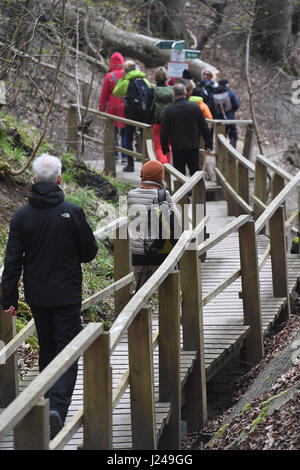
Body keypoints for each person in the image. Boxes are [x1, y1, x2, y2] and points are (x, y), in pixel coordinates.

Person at [0, 153, 98, 439]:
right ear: (59, 179)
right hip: (66, 294)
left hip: (38, 296)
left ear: (32, 180)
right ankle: (57, 407)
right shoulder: (72, 211)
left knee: (47, 348)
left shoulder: (21, 216)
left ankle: (46, 403)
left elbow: (13, 260)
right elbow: (89, 251)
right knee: (67, 350)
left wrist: (7, 300)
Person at [127, 160, 173, 290]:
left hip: (138, 253)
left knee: (141, 293)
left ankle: (143, 309)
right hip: (160, 251)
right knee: (166, 292)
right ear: (160, 177)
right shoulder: (164, 195)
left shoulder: (131, 195)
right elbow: (175, 221)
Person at [160, 83, 213, 176]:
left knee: (179, 174)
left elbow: (164, 131)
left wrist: (165, 148)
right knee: (194, 172)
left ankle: (183, 190)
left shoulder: (169, 109)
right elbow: (204, 126)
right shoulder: (194, 107)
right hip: (193, 146)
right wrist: (208, 144)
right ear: (186, 94)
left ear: (174, 94)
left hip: (177, 147)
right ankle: (194, 190)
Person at [113, 60, 151, 172]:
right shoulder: (144, 80)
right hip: (144, 113)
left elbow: (116, 92)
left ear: (125, 70)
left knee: (129, 138)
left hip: (131, 113)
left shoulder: (126, 82)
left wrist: (122, 78)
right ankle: (147, 165)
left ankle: (130, 165)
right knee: (145, 139)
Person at [98, 52, 127, 164]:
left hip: (112, 108)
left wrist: (101, 109)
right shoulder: (126, 75)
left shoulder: (109, 76)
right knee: (124, 132)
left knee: (113, 131)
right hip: (125, 107)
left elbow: (104, 95)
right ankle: (125, 157)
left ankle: (115, 156)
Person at [145, 66, 173, 164]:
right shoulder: (171, 90)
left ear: (155, 77)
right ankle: (168, 169)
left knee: (159, 147)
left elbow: (148, 109)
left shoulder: (152, 91)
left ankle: (164, 167)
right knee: (168, 146)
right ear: (166, 77)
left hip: (157, 123)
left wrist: (148, 122)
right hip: (170, 123)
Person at [212, 78, 240, 148]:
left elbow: (210, 107)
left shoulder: (213, 94)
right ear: (227, 84)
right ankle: (231, 154)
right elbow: (236, 105)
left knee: (221, 138)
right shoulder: (230, 93)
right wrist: (231, 112)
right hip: (230, 119)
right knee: (234, 136)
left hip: (219, 120)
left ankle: (221, 156)